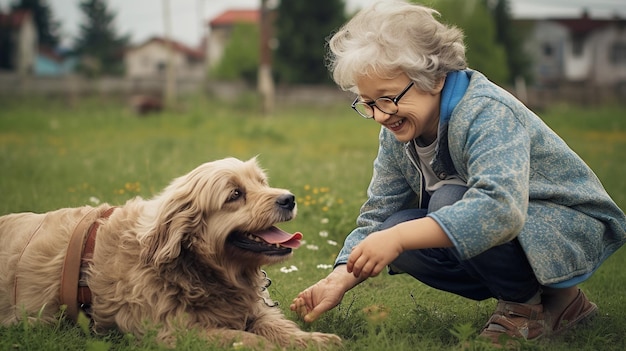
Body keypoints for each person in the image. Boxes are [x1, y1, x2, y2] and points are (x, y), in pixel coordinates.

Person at [290, 0, 626, 346]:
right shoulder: (398, 130)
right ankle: (559, 306)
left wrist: (401, 238)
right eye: (368, 103)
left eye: (387, 99)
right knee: (394, 228)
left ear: (434, 79)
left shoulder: (485, 111)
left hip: (564, 225)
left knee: (442, 204)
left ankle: (525, 309)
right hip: (514, 232)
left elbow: (499, 208)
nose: (379, 115)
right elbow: (380, 214)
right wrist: (339, 277)